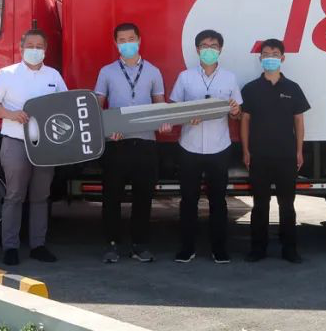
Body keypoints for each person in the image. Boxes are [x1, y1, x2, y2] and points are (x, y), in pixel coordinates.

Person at [0, 29, 66, 266]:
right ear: (21, 48)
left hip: (45, 146)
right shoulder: (7, 74)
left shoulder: (53, 75)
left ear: (45, 50)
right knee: (14, 196)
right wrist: (11, 114)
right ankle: (10, 247)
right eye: (30, 45)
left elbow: (65, 105)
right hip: (16, 142)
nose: (35, 50)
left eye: (40, 46)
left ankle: (38, 245)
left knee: (41, 196)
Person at [94, 22, 170, 264]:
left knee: (143, 198)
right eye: (122, 40)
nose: (127, 44)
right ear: (115, 43)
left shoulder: (153, 71)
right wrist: (108, 130)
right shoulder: (107, 72)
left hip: (146, 143)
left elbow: (160, 104)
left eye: (131, 39)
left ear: (139, 40)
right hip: (116, 144)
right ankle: (111, 245)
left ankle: (140, 245)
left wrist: (164, 122)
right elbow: (97, 106)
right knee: (112, 198)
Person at [169, 29, 242, 264]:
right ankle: (187, 248)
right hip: (189, 146)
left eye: (213, 46)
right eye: (204, 46)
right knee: (188, 200)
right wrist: (185, 116)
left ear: (220, 49)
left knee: (218, 201)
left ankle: (219, 249)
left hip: (219, 147)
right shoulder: (185, 77)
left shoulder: (229, 78)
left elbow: (237, 113)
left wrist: (235, 111)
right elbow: (173, 109)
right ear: (197, 49)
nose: (208, 50)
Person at [240, 38, 309, 263]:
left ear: (283, 58)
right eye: (266, 54)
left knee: (287, 205)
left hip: (286, 156)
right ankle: (258, 249)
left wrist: (299, 151)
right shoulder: (250, 89)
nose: (270, 58)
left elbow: (299, 121)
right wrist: (246, 150)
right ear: (260, 58)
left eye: (275, 54)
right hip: (259, 156)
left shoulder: (293, 88)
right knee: (260, 205)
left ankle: (290, 249)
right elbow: (245, 121)